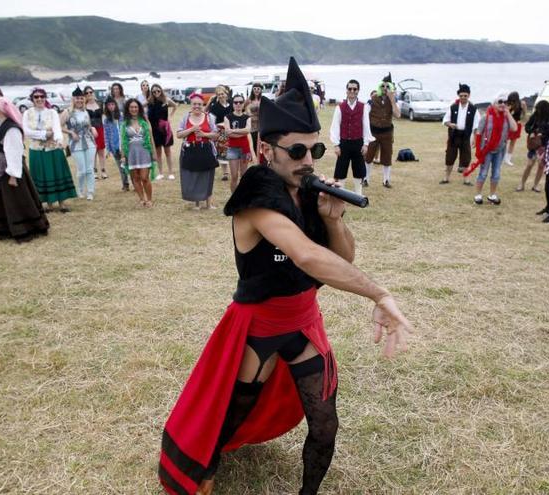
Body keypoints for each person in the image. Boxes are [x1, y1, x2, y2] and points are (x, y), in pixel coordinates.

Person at [158, 57, 411, 495]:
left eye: (314, 150)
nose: (308, 160)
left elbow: (339, 255)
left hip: (304, 321)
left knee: (325, 423)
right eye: (296, 151)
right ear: (265, 152)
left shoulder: (309, 189)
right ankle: (208, 464)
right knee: (234, 410)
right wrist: (378, 293)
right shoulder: (256, 193)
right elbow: (307, 257)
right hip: (259, 325)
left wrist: (334, 221)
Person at [0, 97, 49, 242]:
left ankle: (26, 227)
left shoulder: (11, 129)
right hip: (0, 169)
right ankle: (3, 228)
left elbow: (13, 151)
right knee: (3, 201)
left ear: (1, 110)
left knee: (17, 200)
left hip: (11, 170)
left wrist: (13, 175)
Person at [22, 87, 76, 213]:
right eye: (36, 97)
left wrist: (59, 140)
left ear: (45, 98)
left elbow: (57, 129)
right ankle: (49, 204)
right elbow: (27, 131)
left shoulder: (52, 112)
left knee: (57, 173)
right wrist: (44, 134)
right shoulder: (27, 113)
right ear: (32, 99)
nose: (39, 99)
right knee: (42, 175)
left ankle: (62, 203)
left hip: (53, 149)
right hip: (37, 149)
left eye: (42, 96)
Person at [464, 92, 517, 205]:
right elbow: (479, 133)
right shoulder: (486, 117)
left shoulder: (507, 117)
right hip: (486, 150)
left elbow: (514, 128)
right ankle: (478, 195)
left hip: (500, 150)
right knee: (483, 173)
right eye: (500, 102)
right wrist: (478, 151)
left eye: (505, 102)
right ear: (494, 103)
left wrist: (508, 113)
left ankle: (492, 195)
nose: (503, 104)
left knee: (496, 173)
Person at [176, 93, 219, 210]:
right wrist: (191, 129)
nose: (197, 106)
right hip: (191, 150)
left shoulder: (209, 117)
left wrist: (204, 134)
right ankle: (197, 204)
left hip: (206, 149)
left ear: (203, 105)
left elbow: (216, 135)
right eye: (194, 104)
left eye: (199, 104)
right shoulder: (185, 118)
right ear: (191, 105)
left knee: (208, 176)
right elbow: (179, 134)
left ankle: (209, 204)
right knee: (194, 176)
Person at [329, 79, 373, 194]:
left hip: (358, 142)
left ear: (358, 91)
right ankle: (342, 194)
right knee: (341, 169)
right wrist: (336, 145)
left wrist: (366, 144)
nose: (352, 91)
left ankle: (358, 194)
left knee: (359, 169)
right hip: (344, 143)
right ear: (346, 90)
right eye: (350, 89)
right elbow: (335, 127)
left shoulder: (364, 107)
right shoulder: (340, 107)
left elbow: (366, 126)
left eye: (355, 89)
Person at [364, 73, 400, 188]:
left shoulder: (393, 101)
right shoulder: (373, 99)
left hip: (387, 132)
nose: (385, 89)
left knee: (387, 157)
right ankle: (365, 179)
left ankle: (386, 180)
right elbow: (365, 115)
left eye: (388, 87)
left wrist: (392, 100)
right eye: (383, 86)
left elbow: (398, 115)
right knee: (369, 156)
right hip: (373, 132)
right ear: (380, 87)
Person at [63, 87, 99, 200]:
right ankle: (80, 189)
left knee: (89, 169)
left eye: (81, 98)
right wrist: (70, 132)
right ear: (73, 99)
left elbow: (88, 125)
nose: (79, 100)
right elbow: (58, 126)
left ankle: (90, 191)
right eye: (77, 98)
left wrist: (92, 128)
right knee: (82, 169)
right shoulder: (67, 112)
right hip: (75, 144)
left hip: (89, 142)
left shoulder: (85, 112)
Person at [120, 98, 157, 207]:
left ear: (139, 108)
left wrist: (154, 152)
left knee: (145, 177)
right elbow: (123, 140)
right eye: (131, 107)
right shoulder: (125, 123)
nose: (134, 109)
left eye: (136, 107)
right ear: (128, 109)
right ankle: (142, 199)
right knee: (135, 178)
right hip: (131, 153)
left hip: (144, 152)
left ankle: (149, 199)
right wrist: (123, 155)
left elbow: (151, 137)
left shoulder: (144, 121)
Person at [440, 83, 479, 185]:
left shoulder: (473, 109)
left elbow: (476, 126)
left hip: (466, 136)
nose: (463, 98)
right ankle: (446, 178)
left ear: (469, 95)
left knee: (466, 158)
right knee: (449, 157)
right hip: (454, 135)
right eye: (461, 96)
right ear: (458, 96)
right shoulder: (453, 107)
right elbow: (445, 121)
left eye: (465, 96)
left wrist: (475, 138)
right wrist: (450, 124)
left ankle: (466, 179)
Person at [516, 100, 549, 192]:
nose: (537, 111)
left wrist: (542, 133)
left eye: (539, 109)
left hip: (545, 144)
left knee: (541, 165)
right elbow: (527, 126)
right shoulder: (535, 116)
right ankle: (522, 184)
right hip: (534, 144)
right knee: (530, 164)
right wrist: (531, 132)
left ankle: (536, 185)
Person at [147, 83, 178, 181]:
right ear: (152, 92)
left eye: (158, 91)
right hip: (154, 129)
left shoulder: (166, 100)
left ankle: (170, 172)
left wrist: (171, 117)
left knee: (167, 151)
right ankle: (160, 173)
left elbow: (175, 106)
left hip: (165, 129)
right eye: (154, 91)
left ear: (161, 90)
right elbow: (140, 105)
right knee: (158, 152)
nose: (156, 93)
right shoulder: (150, 101)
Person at [224, 93, 253, 192]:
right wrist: (242, 132)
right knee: (234, 176)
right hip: (232, 149)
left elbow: (248, 130)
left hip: (245, 148)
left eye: (240, 102)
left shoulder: (247, 117)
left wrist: (233, 130)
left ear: (243, 104)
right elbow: (228, 133)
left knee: (244, 176)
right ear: (233, 104)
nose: (238, 104)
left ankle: (243, 197)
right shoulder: (228, 117)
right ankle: (234, 198)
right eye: (236, 102)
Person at [208, 85, 233, 182]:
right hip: (221, 131)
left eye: (222, 94)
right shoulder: (214, 107)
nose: (221, 96)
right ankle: (225, 173)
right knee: (223, 152)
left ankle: (235, 170)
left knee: (234, 151)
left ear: (226, 93)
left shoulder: (232, 103)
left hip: (233, 129)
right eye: (218, 95)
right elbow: (212, 121)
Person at [103, 97, 128, 191]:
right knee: (121, 167)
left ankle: (135, 182)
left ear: (115, 105)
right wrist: (108, 149)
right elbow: (106, 134)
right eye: (109, 105)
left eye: (112, 104)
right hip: (115, 147)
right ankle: (125, 184)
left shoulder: (122, 116)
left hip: (124, 146)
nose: (111, 106)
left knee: (129, 165)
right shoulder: (106, 120)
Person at [84, 86, 107, 180]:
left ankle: (103, 170)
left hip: (100, 128)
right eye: (87, 93)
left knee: (101, 151)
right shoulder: (84, 106)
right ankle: (94, 172)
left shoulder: (100, 104)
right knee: (92, 151)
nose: (89, 94)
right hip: (90, 130)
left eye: (90, 92)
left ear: (93, 92)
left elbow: (104, 117)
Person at [504, 91, 526, 166]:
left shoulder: (522, 104)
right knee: (504, 141)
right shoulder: (508, 104)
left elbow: (524, 114)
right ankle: (502, 156)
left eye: (513, 100)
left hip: (517, 124)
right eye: (510, 100)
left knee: (513, 142)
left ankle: (508, 159)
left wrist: (522, 120)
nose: (511, 102)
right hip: (508, 124)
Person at [247, 82, 264, 163]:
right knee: (253, 143)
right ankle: (254, 160)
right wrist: (249, 115)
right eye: (254, 89)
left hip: (261, 124)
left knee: (260, 143)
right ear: (252, 90)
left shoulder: (263, 99)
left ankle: (260, 159)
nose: (256, 90)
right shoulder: (249, 99)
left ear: (261, 90)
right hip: (252, 125)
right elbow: (245, 110)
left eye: (258, 88)